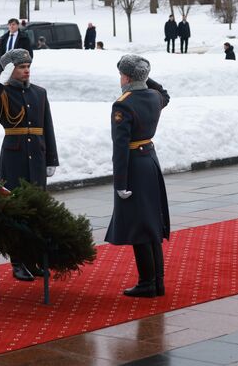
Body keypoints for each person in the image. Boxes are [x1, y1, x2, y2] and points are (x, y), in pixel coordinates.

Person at [0, 49, 59, 281]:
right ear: (9, 70)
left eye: (28, 66)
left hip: (37, 154)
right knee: (16, 210)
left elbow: (47, 127)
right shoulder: (2, 93)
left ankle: (33, 260)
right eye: (21, 67)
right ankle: (17, 262)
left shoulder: (39, 93)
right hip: (14, 158)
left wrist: (51, 158)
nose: (26, 70)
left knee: (36, 211)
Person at [105, 54, 170, 298]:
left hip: (133, 166)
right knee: (151, 223)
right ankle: (157, 282)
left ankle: (146, 283)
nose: (120, 78)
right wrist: (144, 78)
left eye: (122, 74)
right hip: (150, 162)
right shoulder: (154, 97)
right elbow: (165, 93)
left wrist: (120, 183)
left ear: (127, 77)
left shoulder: (123, 104)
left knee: (139, 226)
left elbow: (120, 148)